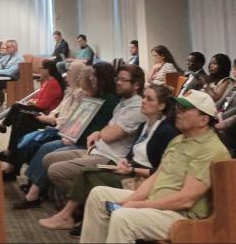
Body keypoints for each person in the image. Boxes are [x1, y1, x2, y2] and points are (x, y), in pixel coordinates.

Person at [80, 89, 231, 243]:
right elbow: (156, 176)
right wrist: (132, 200)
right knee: (99, 195)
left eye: (184, 109)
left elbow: (186, 200)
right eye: (178, 107)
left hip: (181, 215)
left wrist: (139, 205)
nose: (177, 112)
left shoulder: (210, 149)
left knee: (123, 218)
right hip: (159, 203)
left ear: (203, 120)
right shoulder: (179, 140)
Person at [38, 84, 180, 231]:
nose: (143, 101)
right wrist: (126, 160)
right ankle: (73, 215)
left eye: (149, 99)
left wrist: (133, 169)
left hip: (142, 178)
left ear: (161, 105)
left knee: (88, 175)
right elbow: (133, 151)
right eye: (144, 97)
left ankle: (70, 215)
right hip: (129, 167)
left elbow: (159, 170)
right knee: (87, 173)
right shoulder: (144, 125)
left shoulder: (166, 131)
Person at [15, 63, 119, 209]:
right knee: (43, 144)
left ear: (102, 78)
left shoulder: (107, 100)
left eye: (93, 76)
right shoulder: (94, 95)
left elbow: (95, 128)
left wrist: (70, 135)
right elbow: (78, 121)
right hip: (75, 136)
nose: (91, 78)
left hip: (88, 143)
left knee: (48, 148)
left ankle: (34, 193)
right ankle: (34, 188)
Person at [40, 65, 147, 198]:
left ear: (136, 85)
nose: (118, 83)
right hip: (96, 148)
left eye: (123, 80)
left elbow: (108, 135)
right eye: (117, 79)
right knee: (48, 158)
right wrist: (101, 132)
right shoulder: (122, 102)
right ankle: (75, 202)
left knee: (55, 170)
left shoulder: (136, 107)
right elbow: (106, 128)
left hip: (110, 157)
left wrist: (100, 133)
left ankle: (80, 204)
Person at [0, 59, 65, 179]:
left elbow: (42, 105)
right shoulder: (48, 82)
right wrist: (34, 102)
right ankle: (10, 157)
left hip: (44, 115)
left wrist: (33, 102)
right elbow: (40, 99)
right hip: (43, 113)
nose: (39, 71)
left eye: (41, 69)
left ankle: (10, 153)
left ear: (47, 70)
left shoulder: (53, 83)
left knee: (18, 111)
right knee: (19, 116)